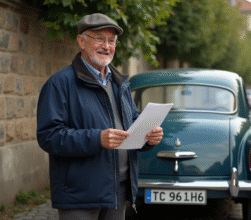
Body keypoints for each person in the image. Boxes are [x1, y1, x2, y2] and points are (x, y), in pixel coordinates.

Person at [37, 13, 164, 220]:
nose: (106, 46)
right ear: (81, 41)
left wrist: (147, 138)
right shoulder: (60, 83)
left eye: (111, 40)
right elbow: (48, 136)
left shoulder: (120, 83)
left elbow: (131, 125)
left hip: (118, 191)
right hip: (80, 195)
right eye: (99, 39)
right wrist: (97, 139)